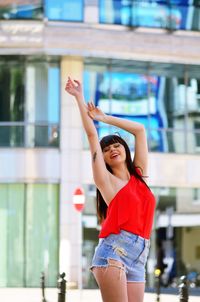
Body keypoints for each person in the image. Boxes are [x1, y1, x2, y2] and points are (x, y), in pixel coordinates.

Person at [65, 77, 156, 302]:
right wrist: (79, 98)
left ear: (125, 149)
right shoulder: (105, 180)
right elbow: (92, 136)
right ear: (103, 158)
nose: (112, 149)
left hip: (140, 255)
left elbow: (140, 130)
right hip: (114, 252)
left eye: (117, 145)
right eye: (107, 149)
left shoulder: (139, 176)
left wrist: (105, 118)